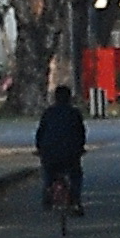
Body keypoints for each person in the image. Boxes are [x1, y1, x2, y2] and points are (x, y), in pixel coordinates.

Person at [36, 82, 87, 214]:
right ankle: (75, 201)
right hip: (71, 154)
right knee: (76, 175)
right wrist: (80, 148)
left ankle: (47, 192)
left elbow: (40, 133)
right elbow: (81, 134)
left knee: (48, 173)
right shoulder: (75, 113)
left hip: (50, 153)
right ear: (69, 98)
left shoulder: (48, 113)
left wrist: (40, 149)